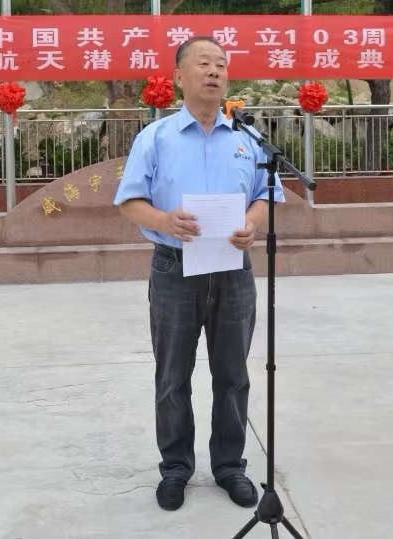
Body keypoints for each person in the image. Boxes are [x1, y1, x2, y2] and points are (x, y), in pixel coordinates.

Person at [113, 35, 284, 512]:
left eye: (221, 65)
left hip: (233, 269)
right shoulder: (156, 138)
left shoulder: (247, 139)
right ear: (178, 77)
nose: (214, 72)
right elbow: (128, 201)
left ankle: (229, 466)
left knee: (233, 374)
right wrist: (164, 220)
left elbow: (265, 195)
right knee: (173, 376)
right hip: (175, 269)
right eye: (204, 63)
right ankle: (175, 468)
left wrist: (251, 223)